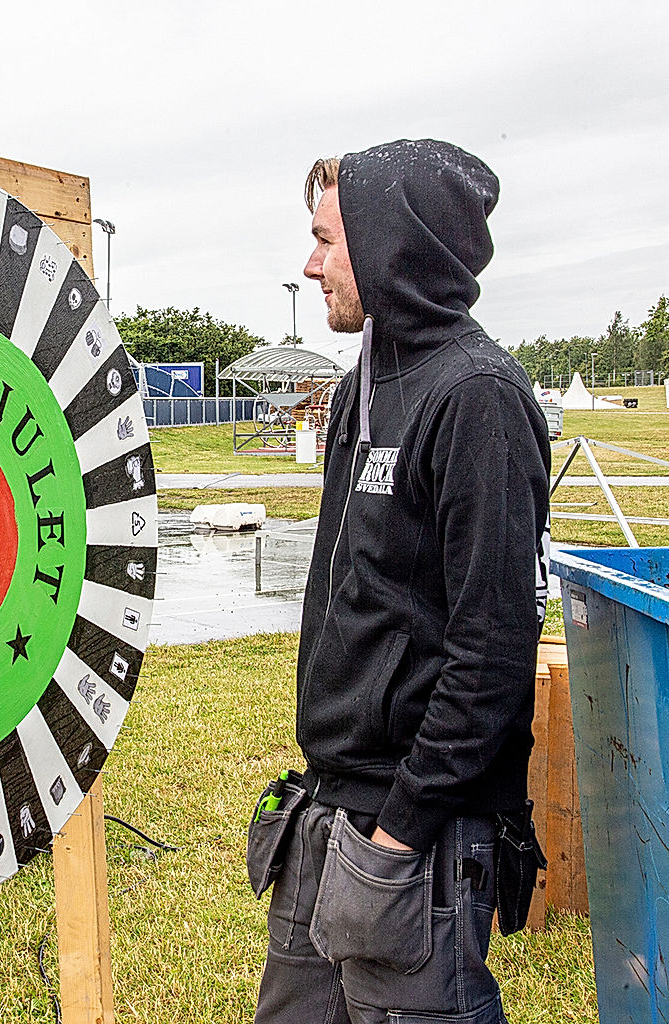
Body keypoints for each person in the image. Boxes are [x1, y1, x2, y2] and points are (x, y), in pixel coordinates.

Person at [253, 140, 551, 1024]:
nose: (309, 265)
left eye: (326, 241)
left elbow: (493, 653)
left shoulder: (476, 397)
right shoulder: (358, 390)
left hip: (414, 842)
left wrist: (398, 832)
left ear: (393, 245)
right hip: (325, 813)